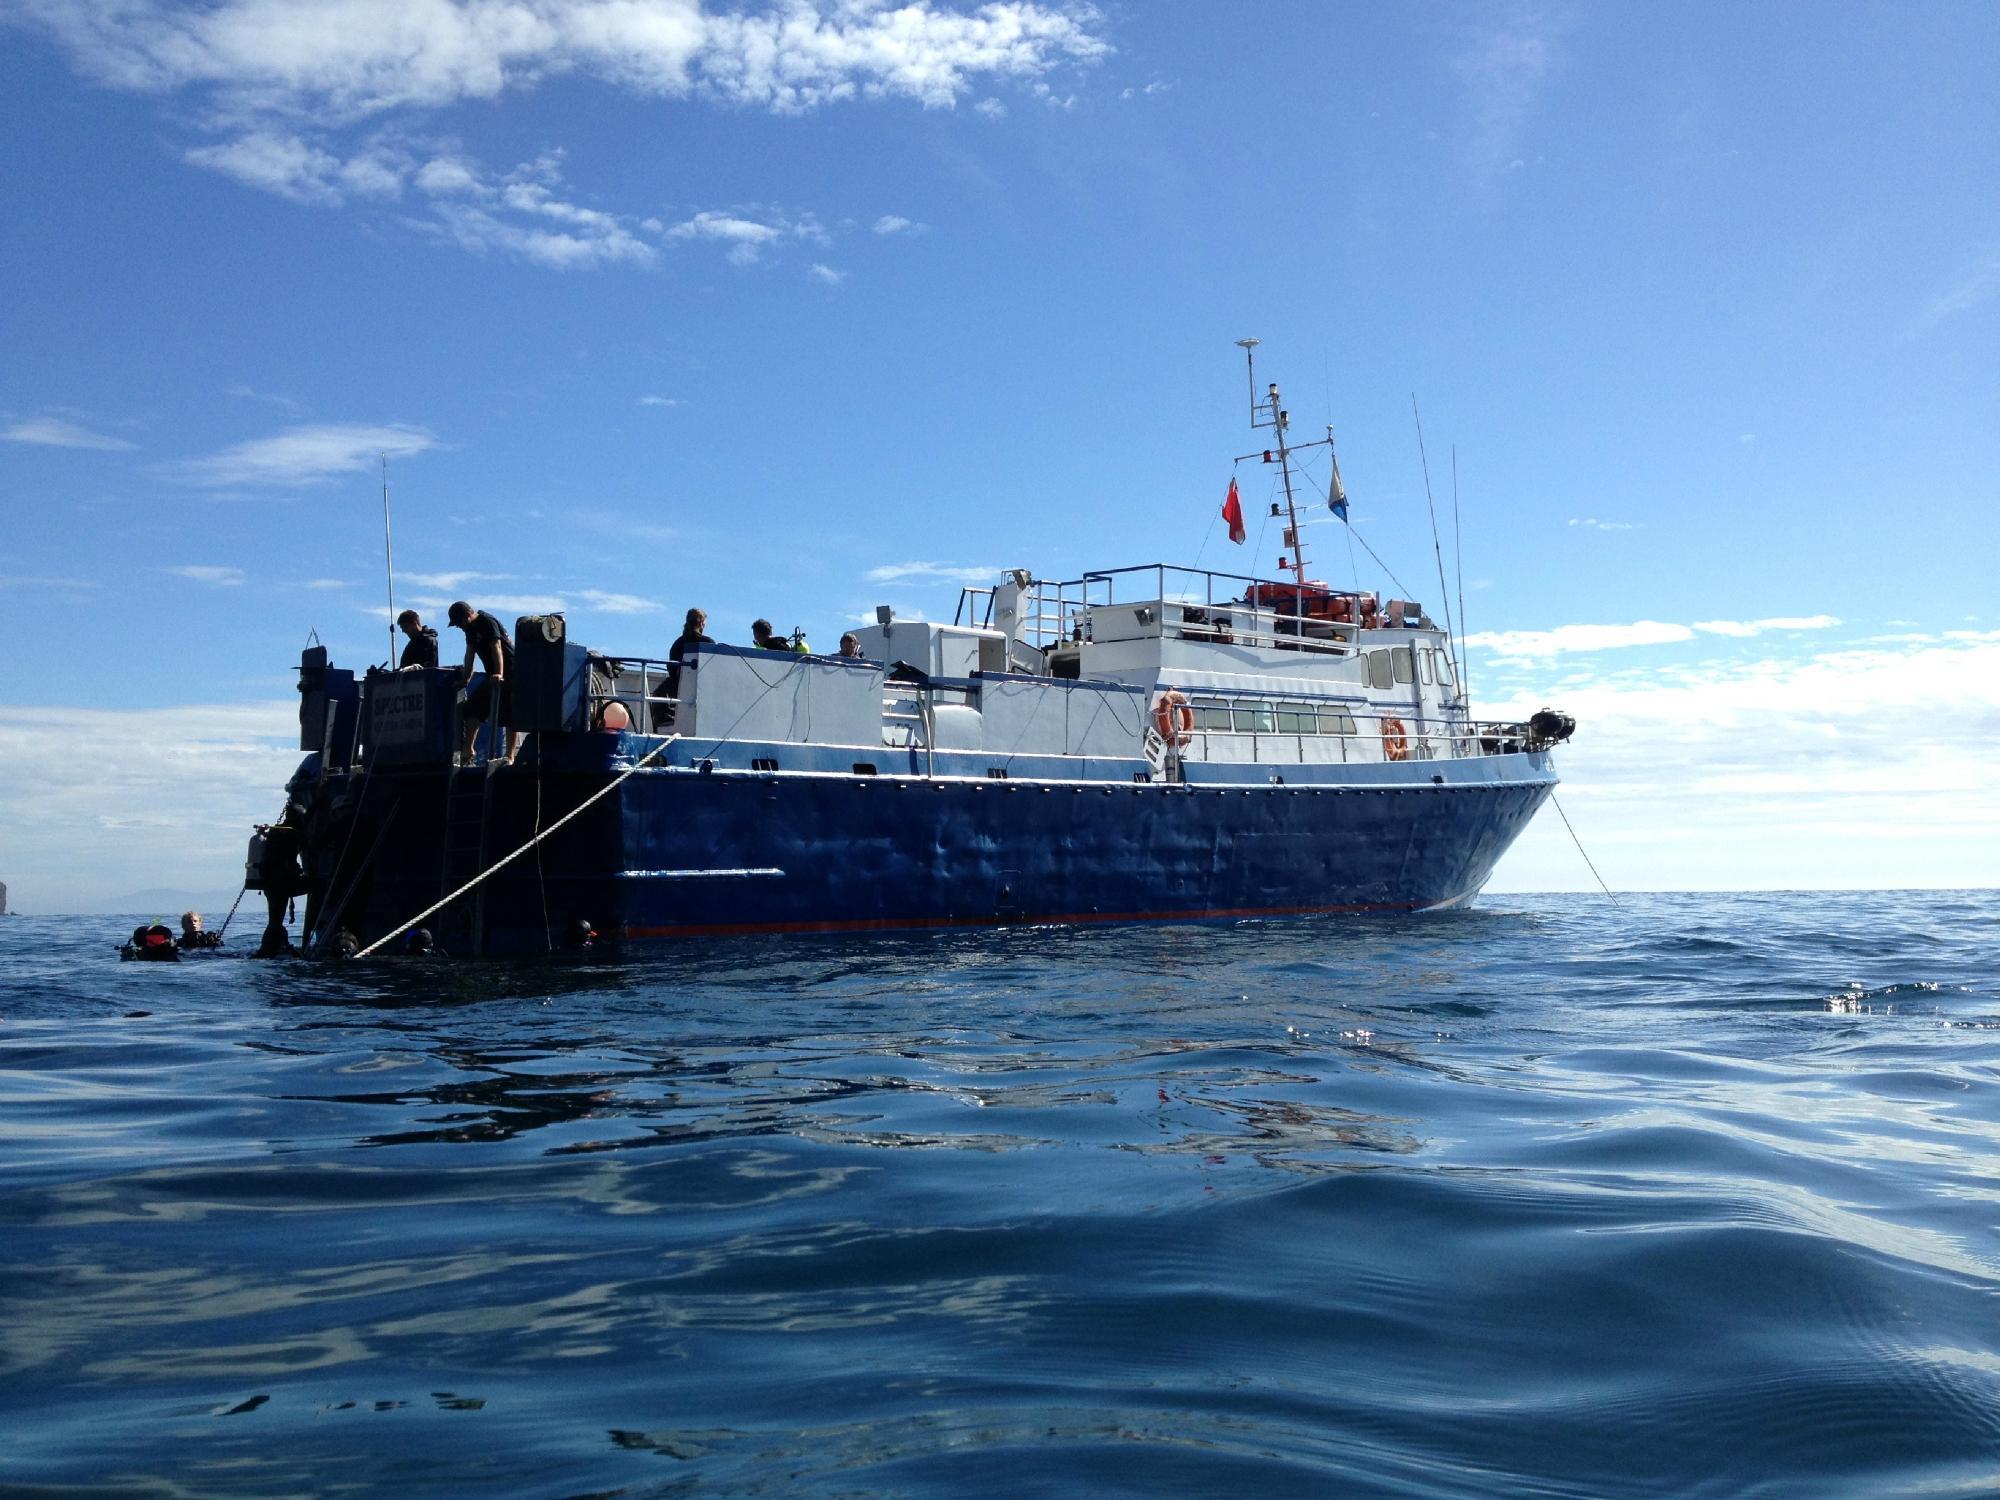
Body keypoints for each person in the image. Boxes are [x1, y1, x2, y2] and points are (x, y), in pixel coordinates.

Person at [448, 600, 519, 763]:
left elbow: (497, 647)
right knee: (472, 709)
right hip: (491, 675)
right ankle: (468, 750)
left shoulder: (487, 622)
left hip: (511, 672)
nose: (459, 627)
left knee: (509, 713)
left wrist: (499, 673)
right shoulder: (469, 630)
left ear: (467, 615)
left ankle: (510, 755)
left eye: (459, 623)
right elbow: (469, 655)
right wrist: (465, 679)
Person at [659, 607, 712, 730]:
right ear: (701, 623)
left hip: (677, 690)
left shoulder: (677, 644)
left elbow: (671, 669)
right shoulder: (707, 642)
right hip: (700, 691)